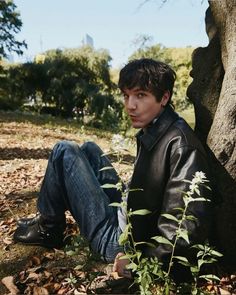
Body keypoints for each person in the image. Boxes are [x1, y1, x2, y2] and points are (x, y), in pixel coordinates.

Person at [14, 58, 212, 280]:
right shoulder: (160, 128)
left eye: (140, 95)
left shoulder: (181, 145)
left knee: (64, 150)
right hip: (128, 217)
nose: (130, 105)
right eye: (126, 96)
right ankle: (47, 220)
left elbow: (185, 224)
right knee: (89, 148)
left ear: (164, 97)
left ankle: (48, 228)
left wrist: (140, 263)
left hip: (119, 242)